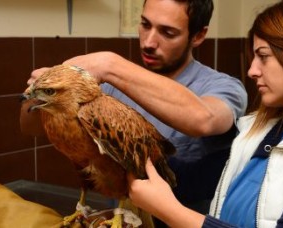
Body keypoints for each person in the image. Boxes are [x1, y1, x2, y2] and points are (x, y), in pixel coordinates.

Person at [126, 0, 283, 227]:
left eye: (263, 56)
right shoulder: (263, 131)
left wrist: (170, 211)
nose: (252, 71)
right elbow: (191, 181)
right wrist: (122, 148)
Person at [30, 0, 248, 216]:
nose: (149, 42)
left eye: (168, 33)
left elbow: (205, 119)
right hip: (122, 216)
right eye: (145, 25)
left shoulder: (223, 86)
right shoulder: (104, 85)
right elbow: (30, 129)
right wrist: (41, 94)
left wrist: (109, 64)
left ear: (198, 35)